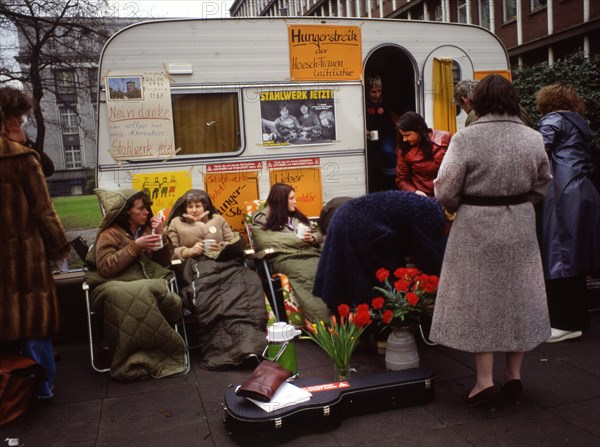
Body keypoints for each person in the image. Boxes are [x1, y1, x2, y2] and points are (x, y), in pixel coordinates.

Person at [430, 74, 551, 409]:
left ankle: (484, 382)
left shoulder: (466, 138)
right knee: (519, 295)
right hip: (520, 223)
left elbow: (446, 189)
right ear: (512, 99)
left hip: (476, 224)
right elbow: (542, 184)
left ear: (478, 101)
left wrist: (456, 206)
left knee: (480, 298)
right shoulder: (533, 137)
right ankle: (513, 375)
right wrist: (520, 201)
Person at [0, 105, 70, 399]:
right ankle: (41, 389)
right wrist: (60, 247)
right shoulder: (20, 157)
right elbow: (43, 210)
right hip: (23, 257)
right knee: (33, 325)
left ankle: (11, 388)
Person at [84, 190, 187, 381]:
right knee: (131, 294)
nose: (147, 213)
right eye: (141, 209)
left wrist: (160, 234)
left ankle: (146, 356)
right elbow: (106, 268)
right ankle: (135, 359)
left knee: (145, 290)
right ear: (126, 212)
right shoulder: (109, 233)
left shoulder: (148, 229)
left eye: (147, 208)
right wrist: (135, 246)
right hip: (113, 283)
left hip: (147, 280)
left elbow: (164, 262)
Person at [167, 190, 267, 369]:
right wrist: (189, 251)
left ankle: (251, 346)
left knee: (248, 281)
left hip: (226, 264)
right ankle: (224, 352)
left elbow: (234, 241)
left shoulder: (218, 220)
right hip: (197, 267)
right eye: (190, 206)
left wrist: (222, 246)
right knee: (210, 295)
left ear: (205, 206)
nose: (194, 210)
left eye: (198, 205)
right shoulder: (176, 223)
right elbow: (170, 251)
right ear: (184, 208)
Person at [535, 83, 600, 343]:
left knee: (559, 256)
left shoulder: (552, 120)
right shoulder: (580, 123)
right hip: (583, 191)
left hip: (561, 194)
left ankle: (564, 322)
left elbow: (537, 153)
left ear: (546, 102)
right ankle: (579, 319)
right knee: (576, 259)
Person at [251, 183, 330, 323]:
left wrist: (312, 238)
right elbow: (265, 241)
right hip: (283, 258)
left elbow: (318, 235)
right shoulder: (262, 218)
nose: (295, 201)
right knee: (307, 275)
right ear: (281, 200)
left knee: (329, 271)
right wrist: (301, 241)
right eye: (291, 198)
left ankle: (339, 319)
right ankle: (324, 322)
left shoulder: (297, 216)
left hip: (309, 254)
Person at [0, 85, 54, 177]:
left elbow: (48, 169)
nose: (21, 120)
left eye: (22, 114)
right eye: (17, 114)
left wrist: (24, 144)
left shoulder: (19, 138)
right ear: (5, 116)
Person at [395, 111, 451, 196]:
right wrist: (416, 192)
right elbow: (401, 180)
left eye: (407, 135)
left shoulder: (445, 138)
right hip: (424, 197)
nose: (404, 139)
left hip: (448, 195)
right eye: (402, 135)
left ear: (420, 130)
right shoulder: (404, 149)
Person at [365, 75, 401, 190]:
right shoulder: (361, 100)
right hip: (368, 135)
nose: (377, 95)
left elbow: (397, 116)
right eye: (373, 92)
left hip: (386, 133)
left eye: (379, 91)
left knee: (388, 152)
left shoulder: (387, 100)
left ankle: (390, 184)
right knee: (367, 157)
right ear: (367, 91)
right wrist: (363, 130)